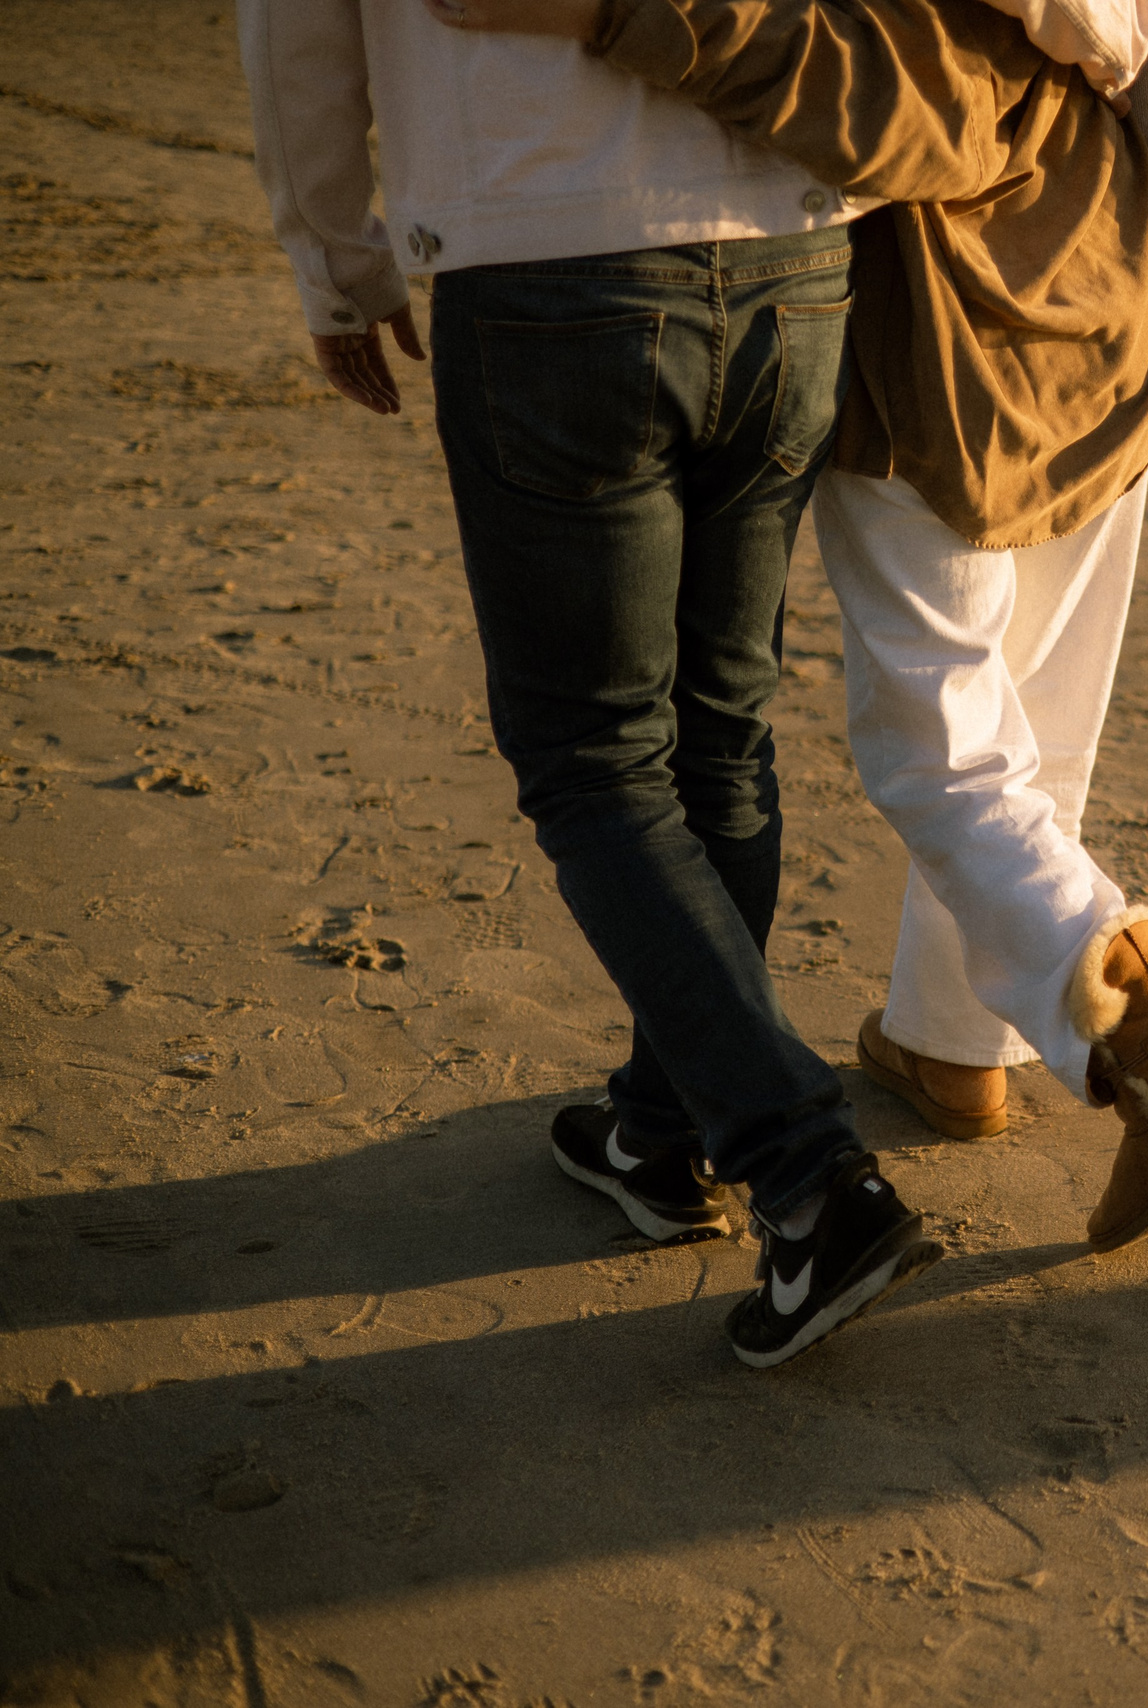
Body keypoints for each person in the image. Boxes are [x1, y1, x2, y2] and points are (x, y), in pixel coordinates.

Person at [431, 0, 1148, 1256]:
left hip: (952, 341)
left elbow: (890, 102)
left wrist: (622, 12)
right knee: (1036, 711)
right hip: (1099, 288)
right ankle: (952, 1047)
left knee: (940, 748)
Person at [239, 0, 942, 1367]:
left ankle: (809, 1181)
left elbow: (297, 38)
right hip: (794, 250)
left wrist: (337, 265)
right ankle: (660, 1129)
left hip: (551, 263)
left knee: (598, 760)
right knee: (717, 733)